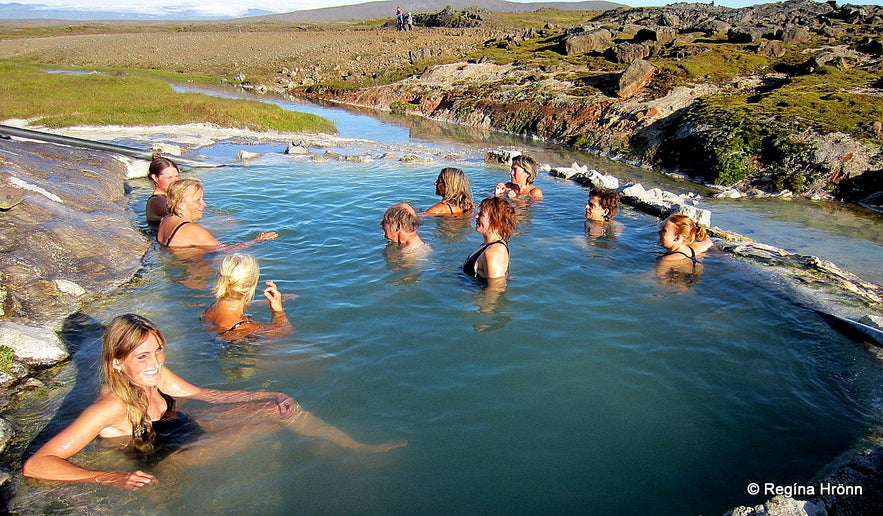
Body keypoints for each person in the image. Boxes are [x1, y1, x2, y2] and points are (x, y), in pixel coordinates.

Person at [22, 314, 404, 490]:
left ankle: (351, 447)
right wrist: (111, 477)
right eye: (142, 357)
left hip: (183, 430)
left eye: (158, 351)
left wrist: (269, 393)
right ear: (117, 362)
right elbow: (38, 464)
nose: (155, 363)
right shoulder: (110, 407)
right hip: (170, 458)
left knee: (281, 408)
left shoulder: (155, 375)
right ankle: (347, 455)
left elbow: (206, 395)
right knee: (273, 421)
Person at [156, 177, 278, 250]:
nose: (204, 204)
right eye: (198, 200)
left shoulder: (166, 219)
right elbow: (225, 250)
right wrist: (256, 241)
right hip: (194, 274)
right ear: (180, 204)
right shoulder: (191, 230)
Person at [202, 253, 291, 339]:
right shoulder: (245, 328)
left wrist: (267, 302)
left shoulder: (213, 308)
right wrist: (278, 311)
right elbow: (284, 332)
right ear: (252, 284)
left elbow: (238, 306)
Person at [462, 196, 517, 282]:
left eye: (481, 215)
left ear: (496, 222)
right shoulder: (490, 244)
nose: (476, 216)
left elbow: (495, 290)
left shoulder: (493, 252)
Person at [145, 155, 180, 225]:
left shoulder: (167, 197)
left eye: (176, 176)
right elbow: (181, 215)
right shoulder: (157, 201)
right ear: (154, 177)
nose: (175, 181)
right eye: (169, 178)